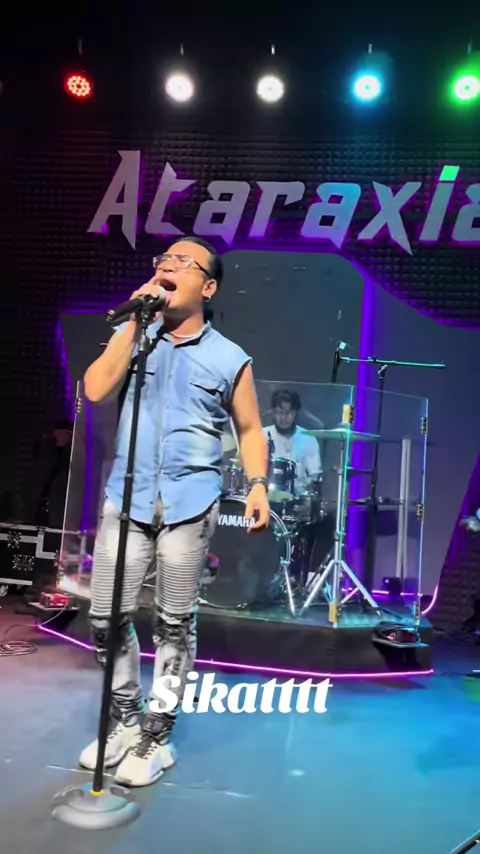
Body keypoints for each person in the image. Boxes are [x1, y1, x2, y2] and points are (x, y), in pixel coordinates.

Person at [79, 237, 270, 787]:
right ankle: (125, 722)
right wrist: (135, 322)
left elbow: (250, 429)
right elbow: (95, 389)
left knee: (173, 624)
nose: (169, 266)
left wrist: (258, 484)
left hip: (190, 503)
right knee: (104, 617)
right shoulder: (135, 335)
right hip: (128, 498)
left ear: (208, 287)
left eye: (184, 262)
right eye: (164, 259)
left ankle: (157, 737)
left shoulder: (229, 357)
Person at [263, 389, 322, 492]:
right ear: (273, 412)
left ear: (296, 413)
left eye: (288, 413)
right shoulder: (262, 436)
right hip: (266, 495)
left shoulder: (308, 438)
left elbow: (315, 477)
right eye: (279, 412)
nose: (283, 417)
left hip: (299, 497)